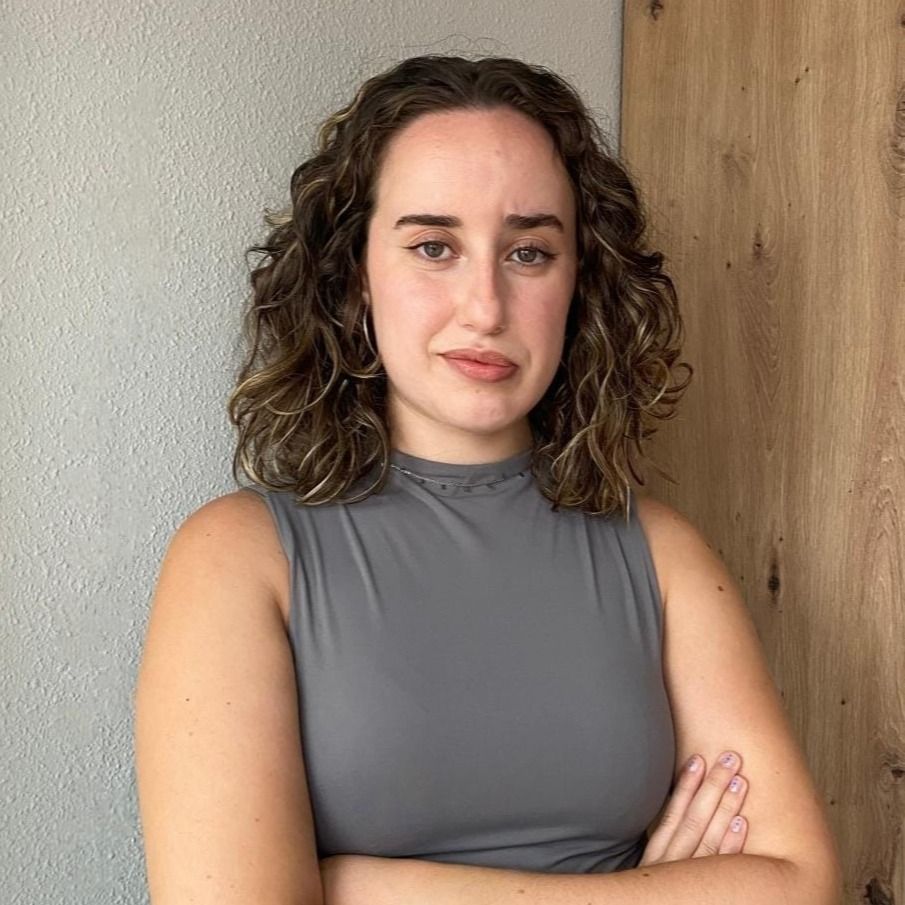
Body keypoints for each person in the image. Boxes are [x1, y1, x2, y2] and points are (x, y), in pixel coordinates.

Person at [133, 55, 841, 904]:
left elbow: (798, 881)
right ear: (355, 277)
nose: (485, 307)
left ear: (578, 282)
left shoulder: (659, 551)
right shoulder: (237, 556)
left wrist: (356, 886)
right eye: (433, 247)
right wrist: (653, 890)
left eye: (529, 252)